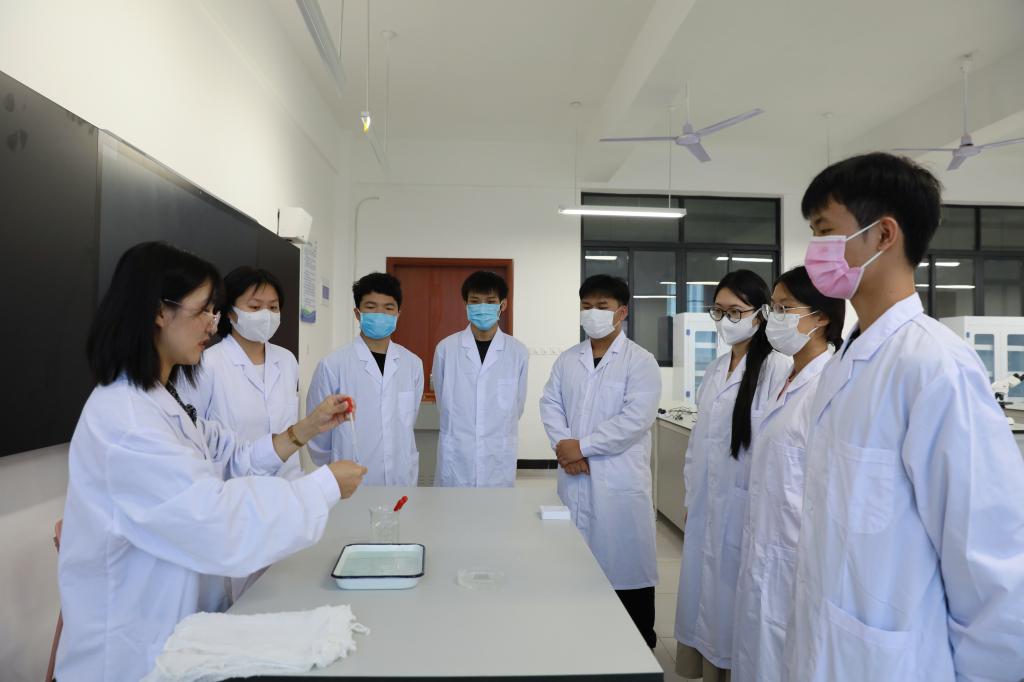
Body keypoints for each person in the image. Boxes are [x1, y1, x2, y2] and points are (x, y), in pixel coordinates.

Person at [56, 242, 367, 681]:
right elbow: (216, 522)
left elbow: (234, 458)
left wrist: (306, 429)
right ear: (158, 311)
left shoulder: (162, 400)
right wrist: (324, 486)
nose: (212, 323)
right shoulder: (127, 421)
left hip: (182, 630)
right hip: (133, 655)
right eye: (204, 310)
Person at [783, 152, 1024, 682]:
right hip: (831, 643)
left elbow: (989, 562)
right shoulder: (845, 359)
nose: (814, 251)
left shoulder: (936, 366)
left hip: (893, 660)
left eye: (824, 231)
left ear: (883, 234)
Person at [674, 269, 792, 682]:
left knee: (733, 602)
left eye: (735, 311)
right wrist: (691, 496)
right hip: (708, 502)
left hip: (746, 508)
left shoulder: (777, 367)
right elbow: (700, 444)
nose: (726, 320)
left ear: (760, 314)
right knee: (705, 593)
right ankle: (710, 669)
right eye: (719, 311)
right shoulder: (716, 368)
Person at [730, 266, 844, 682]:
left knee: (785, 656)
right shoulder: (785, 376)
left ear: (821, 316)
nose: (773, 318)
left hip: (796, 556)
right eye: (772, 308)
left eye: (784, 308)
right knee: (759, 649)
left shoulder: (829, 386)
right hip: (766, 545)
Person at [540, 274, 662, 648]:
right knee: (575, 566)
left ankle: (636, 644)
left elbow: (635, 419)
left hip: (618, 480)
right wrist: (564, 445)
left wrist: (583, 447)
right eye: (586, 306)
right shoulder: (567, 360)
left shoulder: (640, 361)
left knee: (626, 565)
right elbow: (550, 404)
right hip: (575, 474)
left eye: (602, 306)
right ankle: (580, 640)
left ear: (621, 312)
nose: (592, 313)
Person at [177, 265, 302, 606]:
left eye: (273, 307)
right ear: (230, 312)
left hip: (285, 498)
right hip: (235, 505)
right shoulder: (206, 364)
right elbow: (190, 438)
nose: (266, 315)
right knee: (241, 605)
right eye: (255, 306)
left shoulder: (287, 361)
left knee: (285, 597)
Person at [307, 272, 424, 485]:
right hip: (350, 481)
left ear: (398, 313)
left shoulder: (412, 364)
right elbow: (318, 435)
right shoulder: (333, 365)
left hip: (401, 478)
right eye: (371, 307)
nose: (380, 314)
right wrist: (335, 470)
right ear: (357, 313)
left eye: (388, 308)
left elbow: (409, 421)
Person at [433, 270, 529, 487]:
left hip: (498, 454)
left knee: (495, 507)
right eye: (475, 301)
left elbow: (518, 405)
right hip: (457, 455)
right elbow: (442, 401)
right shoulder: (446, 349)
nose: (482, 307)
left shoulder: (517, 352)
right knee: (452, 507)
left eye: (490, 301)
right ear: (466, 305)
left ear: (503, 305)